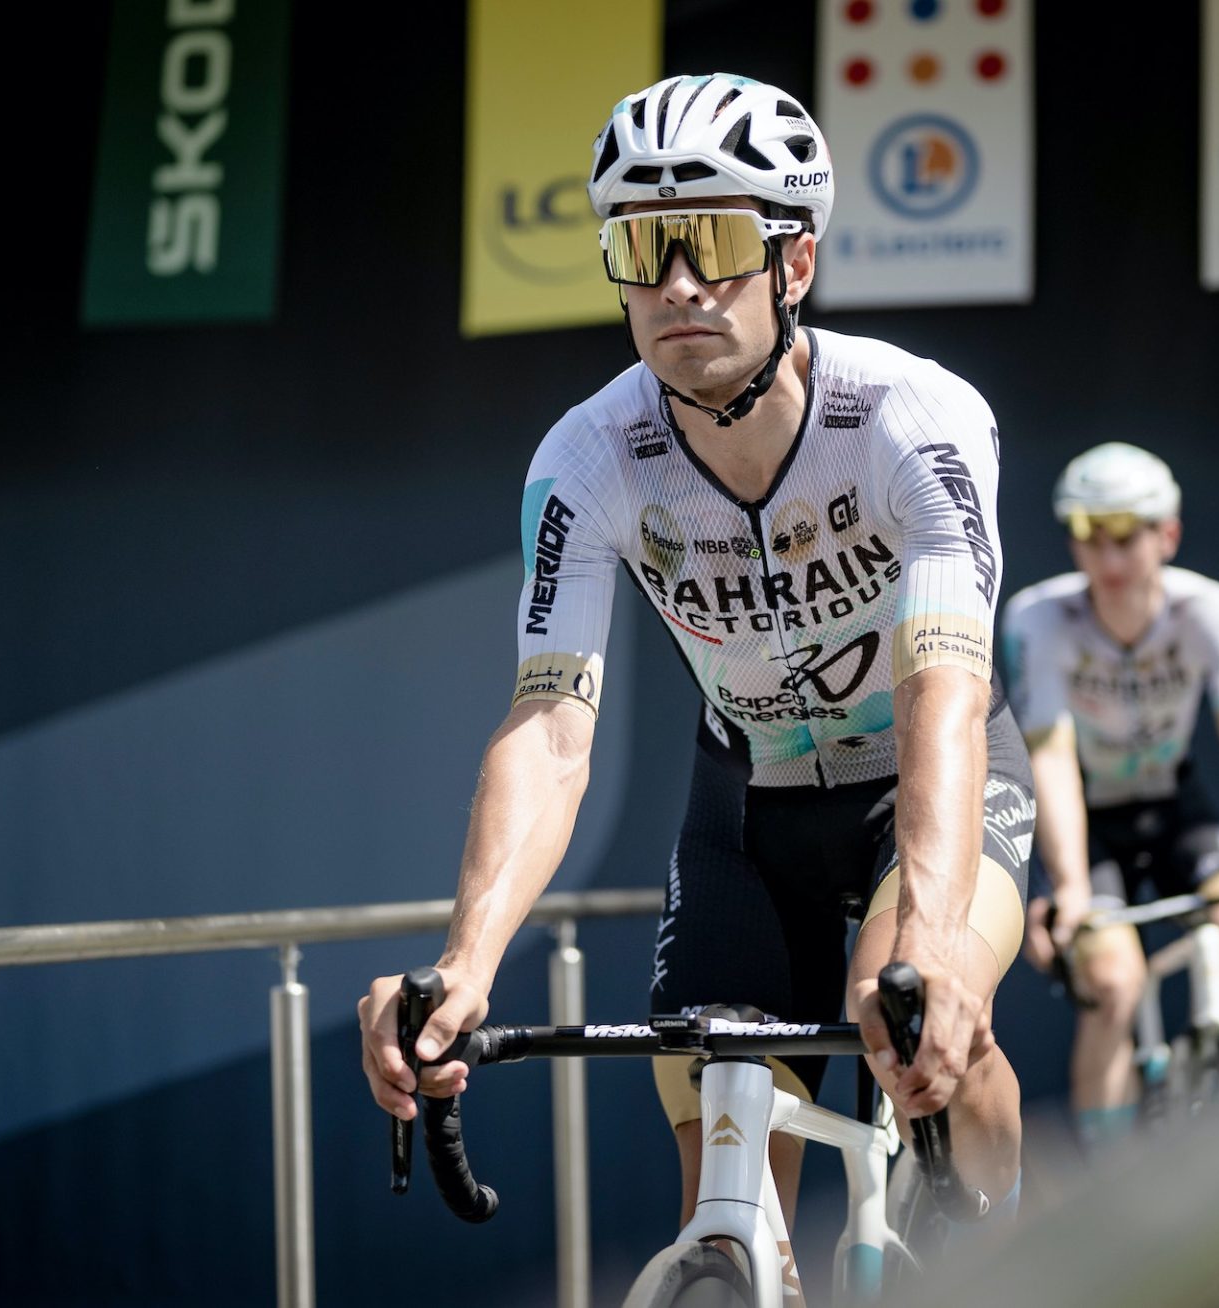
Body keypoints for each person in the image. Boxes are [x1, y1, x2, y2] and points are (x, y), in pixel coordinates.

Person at [359, 73, 1033, 1243]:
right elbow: (551, 729)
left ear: (796, 264)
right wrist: (466, 962)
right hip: (745, 813)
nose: (678, 284)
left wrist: (930, 926)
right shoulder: (587, 457)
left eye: (716, 240)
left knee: (925, 1025)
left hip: (921, 785)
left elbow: (946, 687)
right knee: (726, 1196)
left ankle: (1010, 1247)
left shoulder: (913, 418)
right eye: (640, 246)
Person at [1007, 442, 1219, 1149]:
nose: (1108, 561)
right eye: (1087, 535)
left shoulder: (1213, 612)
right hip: (1089, 819)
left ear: (1167, 535)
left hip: (1174, 806)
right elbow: (1048, 757)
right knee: (1113, 982)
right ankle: (1108, 1190)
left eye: (1126, 536)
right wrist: (1074, 884)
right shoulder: (1038, 618)